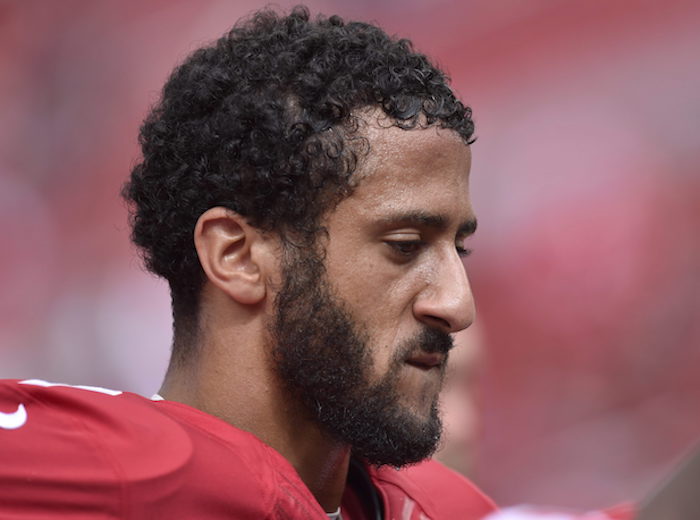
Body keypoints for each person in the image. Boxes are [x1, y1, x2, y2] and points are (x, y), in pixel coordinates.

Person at [0, 6, 496, 519]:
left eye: (459, 248)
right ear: (236, 256)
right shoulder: (117, 475)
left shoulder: (442, 506)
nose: (458, 306)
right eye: (405, 245)